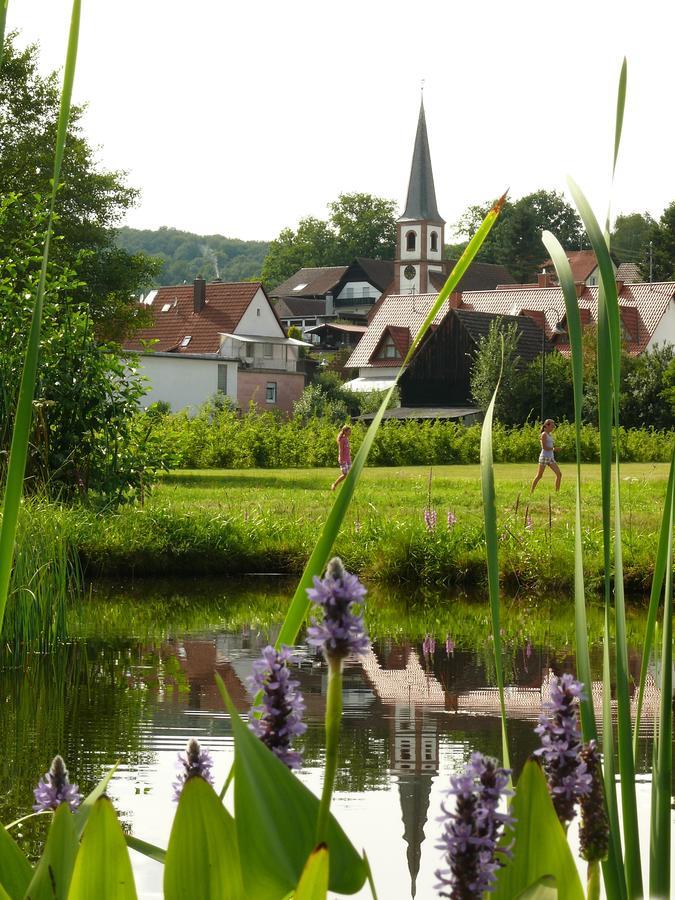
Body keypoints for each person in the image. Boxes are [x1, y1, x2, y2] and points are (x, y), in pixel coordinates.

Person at [530, 418, 562, 493]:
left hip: (550, 458)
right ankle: (531, 491)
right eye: (552, 426)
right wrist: (554, 449)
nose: (553, 427)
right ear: (546, 426)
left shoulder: (549, 435)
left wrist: (554, 449)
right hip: (544, 457)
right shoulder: (544, 434)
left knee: (559, 474)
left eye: (554, 426)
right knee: (539, 476)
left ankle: (557, 492)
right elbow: (544, 447)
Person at [331, 425, 352, 491]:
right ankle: (334, 485)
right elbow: (341, 450)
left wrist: (349, 459)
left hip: (348, 459)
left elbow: (348, 450)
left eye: (350, 431)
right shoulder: (342, 440)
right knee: (345, 474)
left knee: (350, 474)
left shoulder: (347, 439)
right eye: (349, 431)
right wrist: (342, 459)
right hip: (343, 459)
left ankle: (347, 488)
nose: (350, 433)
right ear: (345, 432)